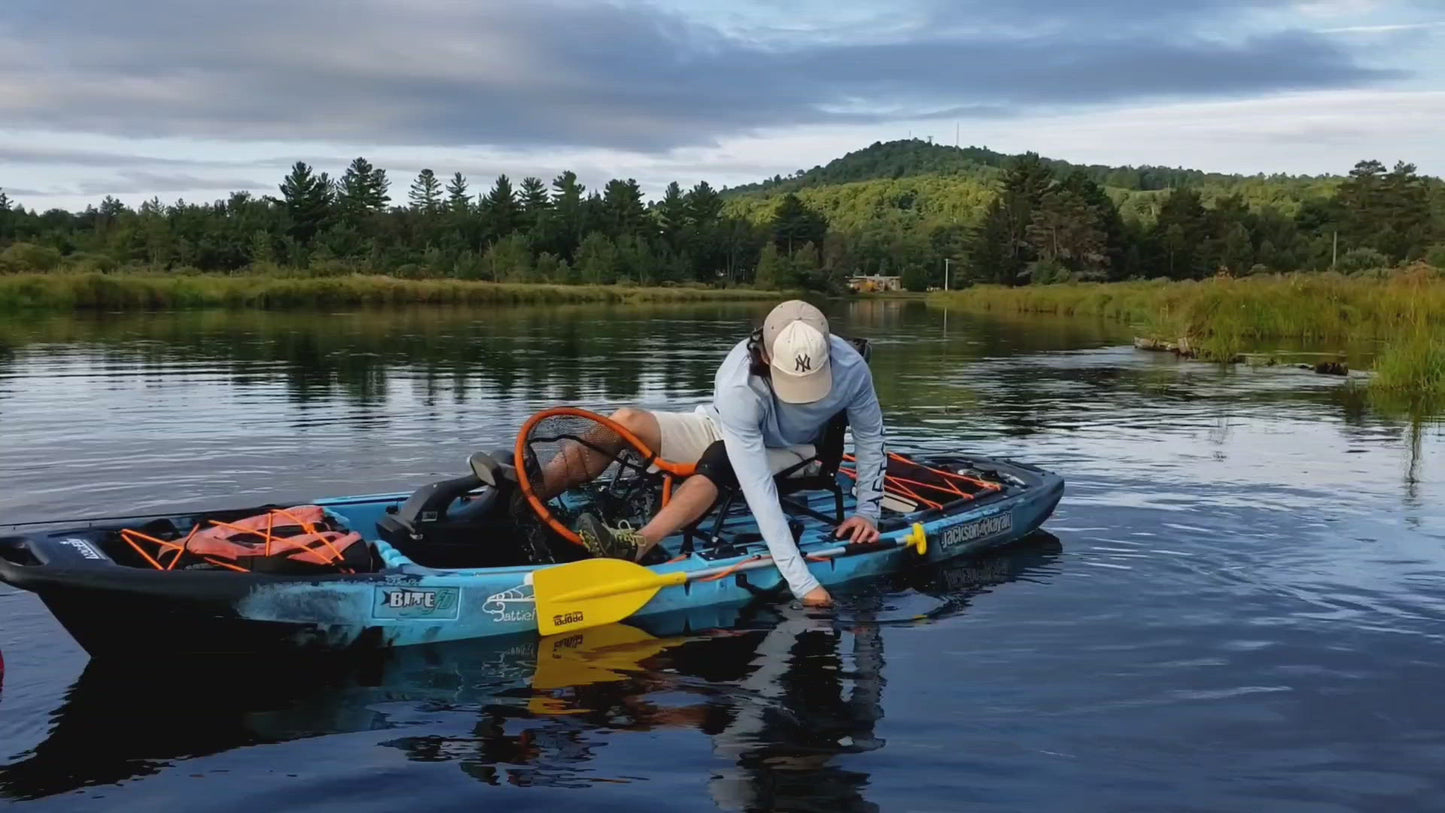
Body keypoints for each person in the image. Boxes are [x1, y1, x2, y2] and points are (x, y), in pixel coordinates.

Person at [536, 300, 887, 608]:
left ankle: (637, 544)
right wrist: (804, 582)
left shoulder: (852, 369)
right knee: (625, 421)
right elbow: (750, 473)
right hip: (726, 425)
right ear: (764, 354)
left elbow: (870, 436)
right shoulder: (738, 383)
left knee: (722, 460)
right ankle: (528, 497)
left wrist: (867, 513)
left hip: (801, 452)